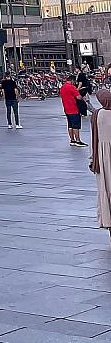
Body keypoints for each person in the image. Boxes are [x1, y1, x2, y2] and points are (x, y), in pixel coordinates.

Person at [89, 89, 111, 244]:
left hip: (103, 158)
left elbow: (94, 140)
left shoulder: (97, 115)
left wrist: (92, 158)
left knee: (106, 191)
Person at [61, 74, 87, 147]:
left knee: (70, 125)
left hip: (66, 108)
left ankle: (72, 140)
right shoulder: (72, 87)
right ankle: (78, 141)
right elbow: (78, 97)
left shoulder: (62, 87)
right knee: (76, 126)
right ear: (72, 80)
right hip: (74, 108)